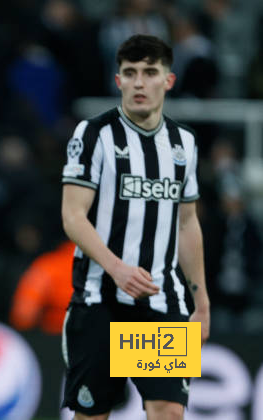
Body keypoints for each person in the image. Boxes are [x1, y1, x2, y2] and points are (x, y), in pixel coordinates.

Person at [60, 34, 210, 419]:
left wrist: (202, 300)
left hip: (161, 298)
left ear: (168, 80)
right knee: (93, 414)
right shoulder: (92, 135)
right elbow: (73, 216)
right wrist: (117, 267)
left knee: (168, 411)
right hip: (99, 297)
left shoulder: (184, 144)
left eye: (149, 72)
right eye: (130, 73)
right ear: (118, 81)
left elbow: (187, 222)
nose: (139, 82)